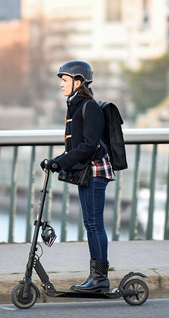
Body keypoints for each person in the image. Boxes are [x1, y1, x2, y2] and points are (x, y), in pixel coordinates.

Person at [40, 60, 115, 293]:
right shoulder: (74, 105)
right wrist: (55, 161)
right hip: (87, 170)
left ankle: (100, 278)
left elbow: (89, 145)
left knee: (94, 224)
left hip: (95, 170)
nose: (62, 85)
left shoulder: (88, 107)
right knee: (90, 224)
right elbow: (74, 146)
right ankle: (96, 277)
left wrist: (61, 162)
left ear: (78, 81)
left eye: (65, 80)